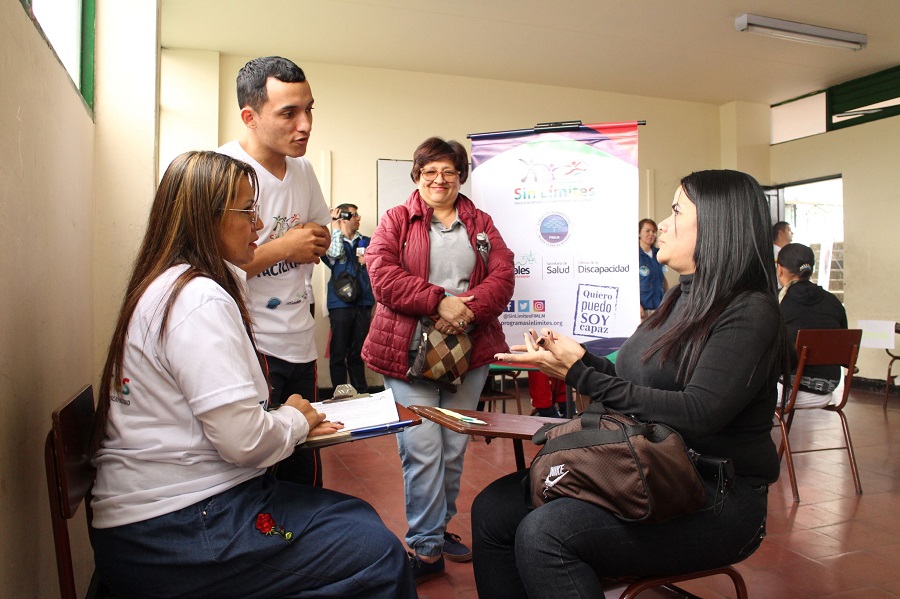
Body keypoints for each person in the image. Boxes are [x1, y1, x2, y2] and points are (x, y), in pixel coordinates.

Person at [89, 151, 415, 599]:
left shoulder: (174, 285)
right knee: (376, 551)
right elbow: (243, 441)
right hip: (179, 529)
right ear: (205, 218)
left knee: (356, 519)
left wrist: (288, 420)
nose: (258, 225)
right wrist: (298, 418)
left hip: (171, 519)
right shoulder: (198, 299)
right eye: (246, 211)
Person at [472, 169, 788, 598]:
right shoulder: (681, 296)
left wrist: (579, 374)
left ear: (716, 223)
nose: (663, 223)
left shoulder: (750, 310)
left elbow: (699, 412)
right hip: (649, 468)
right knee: (492, 509)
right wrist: (576, 361)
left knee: (547, 534)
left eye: (676, 211)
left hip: (713, 495)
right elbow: (632, 381)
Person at [361, 137, 515, 583]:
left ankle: (439, 528)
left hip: (469, 351)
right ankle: (426, 549)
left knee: (453, 447)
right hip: (406, 353)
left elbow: (504, 275)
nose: (439, 179)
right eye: (429, 171)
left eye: (448, 171)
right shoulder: (396, 219)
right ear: (417, 174)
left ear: (461, 175)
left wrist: (465, 309)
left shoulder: (481, 224)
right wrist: (438, 302)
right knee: (423, 448)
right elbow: (383, 275)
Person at [219, 56, 331, 487]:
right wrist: (284, 246)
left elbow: (318, 228)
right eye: (289, 113)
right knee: (263, 472)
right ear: (250, 116)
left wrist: (315, 238)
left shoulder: (302, 168)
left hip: (300, 337)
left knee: (305, 461)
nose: (304, 125)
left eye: (309, 110)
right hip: (253, 341)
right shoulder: (221, 171)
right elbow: (210, 265)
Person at [777, 242, 848, 408]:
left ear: (780, 269)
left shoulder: (778, 303)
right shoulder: (833, 302)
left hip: (787, 389)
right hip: (827, 389)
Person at [323, 203, 375, 394]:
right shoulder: (330, 241)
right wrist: (335, 228)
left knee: (358, 351)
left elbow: (383, 265)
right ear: (344, 217)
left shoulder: (368, 242)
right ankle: (341, 393)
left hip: (363, 302)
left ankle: (361, 391)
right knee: (338, 352)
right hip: (340, 304)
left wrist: (370, 261)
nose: (359, 218)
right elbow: (334, 254)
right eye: (354, 215)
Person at [638, 218, 668, 320]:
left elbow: (663, 279)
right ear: (639, 233)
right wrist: (637, 306)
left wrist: (667, 302)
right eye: (647, 231)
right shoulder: (633, 255)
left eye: (654, 231)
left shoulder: (659, 253)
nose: (651, 234)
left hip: (659, 308)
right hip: (642, 309)